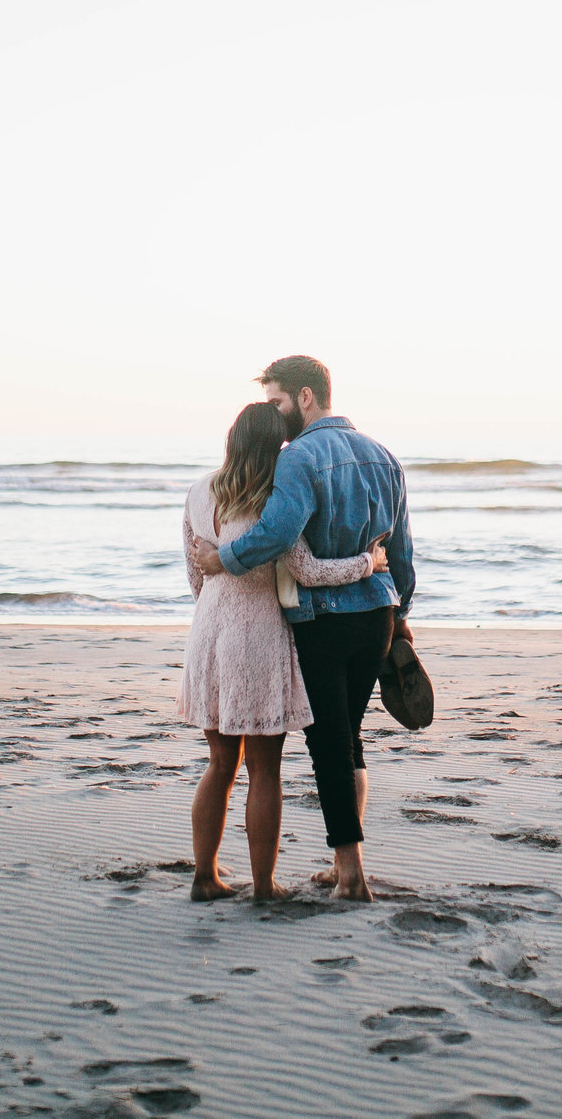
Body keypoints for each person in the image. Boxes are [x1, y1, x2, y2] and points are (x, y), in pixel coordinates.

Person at [194, 355, 414, 902]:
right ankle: (344, 863)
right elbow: (402, 552)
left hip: (322, 619)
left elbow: (279, 538)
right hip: (376, 617)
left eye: (277, 402)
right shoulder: (386, 456)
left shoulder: (297, 459)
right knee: (351, 740)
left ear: (306, 397)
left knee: (329, 746)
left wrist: (223, 562)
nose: (274, 414)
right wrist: (401, 615)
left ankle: (350, 871)